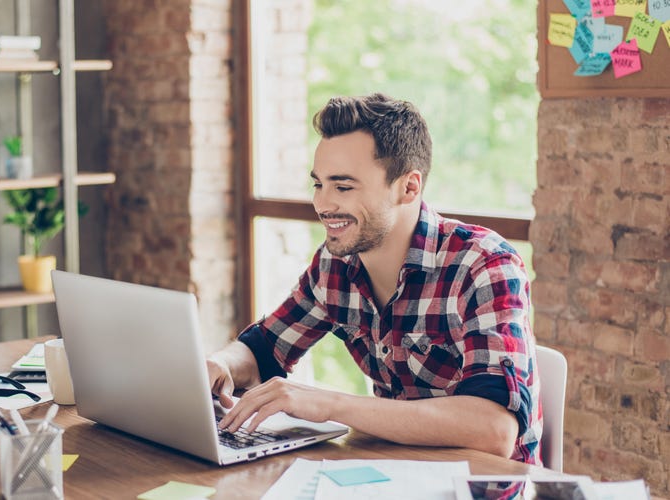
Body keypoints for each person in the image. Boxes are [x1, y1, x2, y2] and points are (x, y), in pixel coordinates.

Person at [208, 94, 541, 465]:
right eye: (318, 185)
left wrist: (328, 403)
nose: (322, 204)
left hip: (483, 486)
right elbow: (264, 347)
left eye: (343, 187)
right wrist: (221, 364)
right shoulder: (335, 265)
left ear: (409, 187)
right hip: (394, 475)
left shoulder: (483, 265)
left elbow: (494, 430)